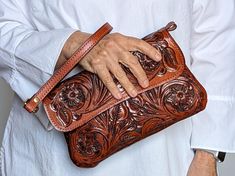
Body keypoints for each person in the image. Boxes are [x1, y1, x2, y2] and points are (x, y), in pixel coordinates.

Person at [0, 0, 235, 175]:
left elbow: (216, 41)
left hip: (168, 150)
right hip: (53, 153)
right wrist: (70, 44)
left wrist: (207, 154)